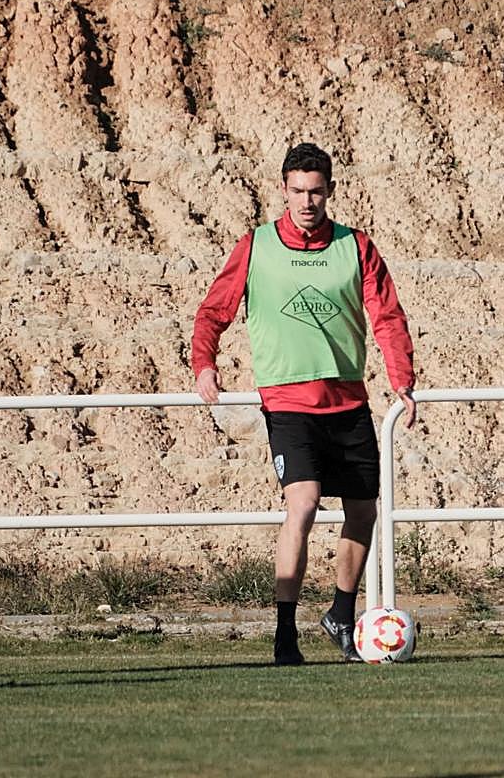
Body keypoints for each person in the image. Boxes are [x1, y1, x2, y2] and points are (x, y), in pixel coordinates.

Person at [193, 143, 416, 664]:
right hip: (289, 402)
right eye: (297, 191)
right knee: (305, 503)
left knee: (364, 510)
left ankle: (340, 613)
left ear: (331, 190)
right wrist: (205, 363)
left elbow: (387, 318)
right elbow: (214, 311)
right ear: (284, 191)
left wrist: (401, 380)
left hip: (348, 401)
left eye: (316, 191)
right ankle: (284, 631)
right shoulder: (257, 245)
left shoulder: (356, 246)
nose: (307, 201)